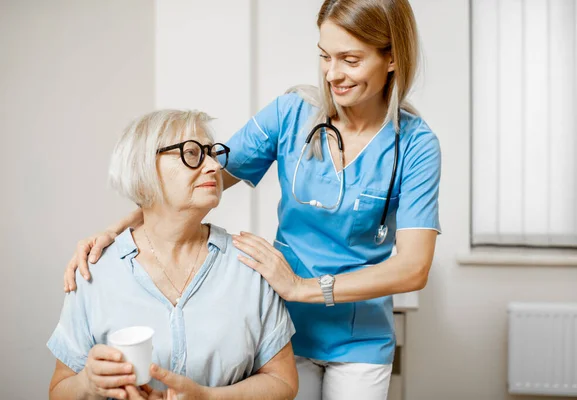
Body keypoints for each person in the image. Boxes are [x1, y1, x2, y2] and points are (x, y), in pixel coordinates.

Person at [64, 0, 441, 398]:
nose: (332, 74)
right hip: (285, 329)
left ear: (392, 58)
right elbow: (193, 181)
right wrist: (116, 230)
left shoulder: (416, 146)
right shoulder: (292, 114)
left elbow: (413, 268)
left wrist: (302, 287)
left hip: (358, 336)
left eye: (350, 59)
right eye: (325, 56)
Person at [48, 110, 298, 399]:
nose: (214, 167)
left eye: (212, 154)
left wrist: (207, 398)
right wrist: (87, 385)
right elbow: (58, 390)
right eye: (192, 153)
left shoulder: (249, 265)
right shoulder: (96, 270)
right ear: (143, 171)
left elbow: (283, 381)